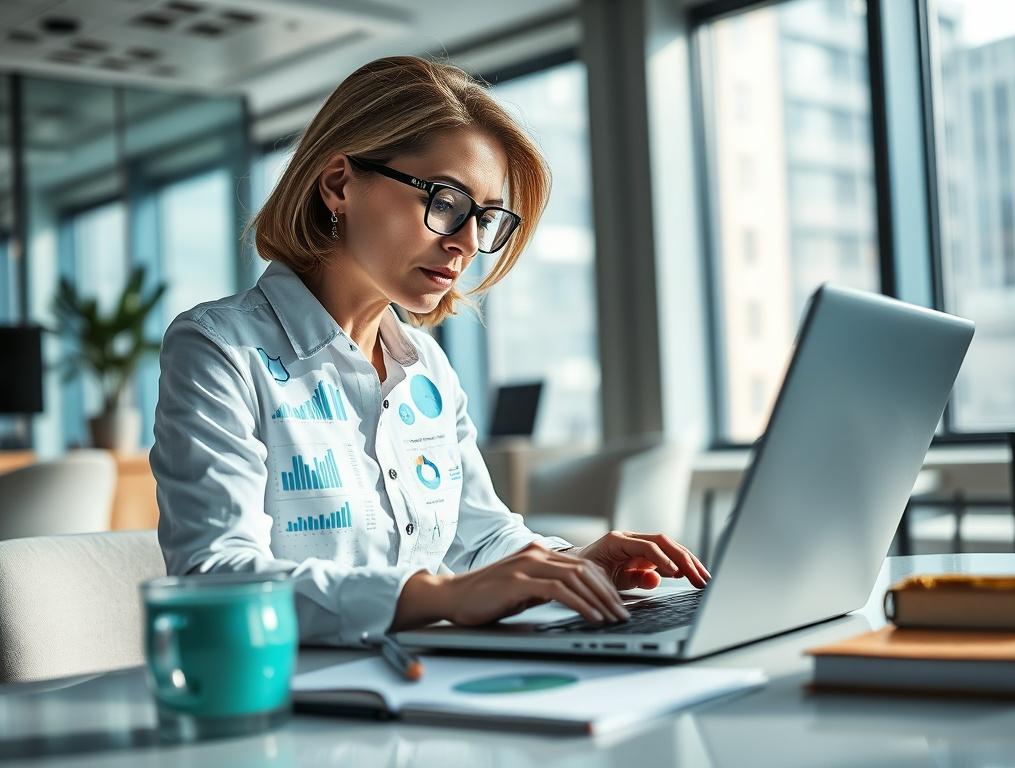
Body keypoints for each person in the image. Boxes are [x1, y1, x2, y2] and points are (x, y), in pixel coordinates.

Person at [151, 55, 710, 646]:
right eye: (446, 202)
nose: (469, 243)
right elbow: (214, 580)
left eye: (486, 217)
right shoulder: (219, 350)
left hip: (424, 680)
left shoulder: (428, 368)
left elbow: (483, 536)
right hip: (301, 695)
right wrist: (439, 597)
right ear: (339, 184)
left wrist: (572, 565)